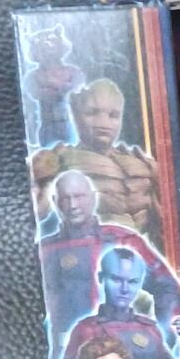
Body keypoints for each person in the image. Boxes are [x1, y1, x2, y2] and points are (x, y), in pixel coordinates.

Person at [39, 171, 180, 359]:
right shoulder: (45, 250)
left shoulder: (123, 239)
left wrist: (164, 335)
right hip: (67, 355)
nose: (73, 205)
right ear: (55, 202)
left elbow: (167, 286)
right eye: (65, 198)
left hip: (122, 357)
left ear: (93, 198)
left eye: (79, 196)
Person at [52, 247, 180, 359]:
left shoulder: (149, 329)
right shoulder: (87, 330)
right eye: (116, 280)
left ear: (140, 283)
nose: (125, 289)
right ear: (101, 278)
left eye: (132, 282)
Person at [30, 78, 160, 239]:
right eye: (92, 113)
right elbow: (33, 214)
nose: (103, 123)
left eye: (114, 115)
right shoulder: (58, 160)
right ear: (75, 115)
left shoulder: (143, 163)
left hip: (140, 250)